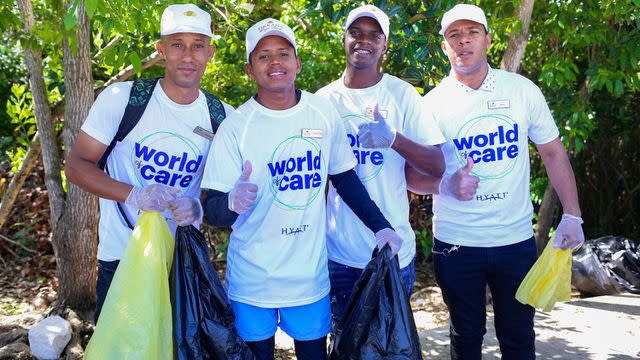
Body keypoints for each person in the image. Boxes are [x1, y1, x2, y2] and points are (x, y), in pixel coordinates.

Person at [201, 18, 404, 360]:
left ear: (297, 62)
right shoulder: (236, 126)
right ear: (250, 69)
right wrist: (233, 201)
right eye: (263, 56)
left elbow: (345, 178)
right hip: (253, 281)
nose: (275, 62)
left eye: (283, 53)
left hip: (308, 277)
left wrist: (381, 225)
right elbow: (212, 210)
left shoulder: (321, 112)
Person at [407, 4, 585, 359]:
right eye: (453, 35)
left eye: (471, 33)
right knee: (466, 336)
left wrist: (573, 214)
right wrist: (446, 186)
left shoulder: (522, 90)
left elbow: (552, 152)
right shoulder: (430, 105)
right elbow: (411, 176)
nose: (463, 41)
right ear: (444, 46)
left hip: (513, 239)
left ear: (487, 39)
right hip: (456, 243)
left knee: (518, 337)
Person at [65, 4, 233, 322]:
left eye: (198, 46)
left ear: (210, 52)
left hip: (181, 261)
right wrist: (135, 194)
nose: (188, 56)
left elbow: (223, 194)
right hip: (122, 256)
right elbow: (76, 166)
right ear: (161, 50)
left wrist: (199, 207)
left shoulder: (223, 117)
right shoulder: (123, 98)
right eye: (177, 45)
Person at [315, 4, 445, 328]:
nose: (364, 41)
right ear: (344, 39)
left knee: (390, 346)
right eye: (356, 33)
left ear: (384, 45)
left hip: (392, 254)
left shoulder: (402, 95)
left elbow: (438, 165)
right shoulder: (323, 101)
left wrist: (393, 139)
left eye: (374, 35)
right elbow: (319, 184)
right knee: (344, 345)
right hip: (339, 257)